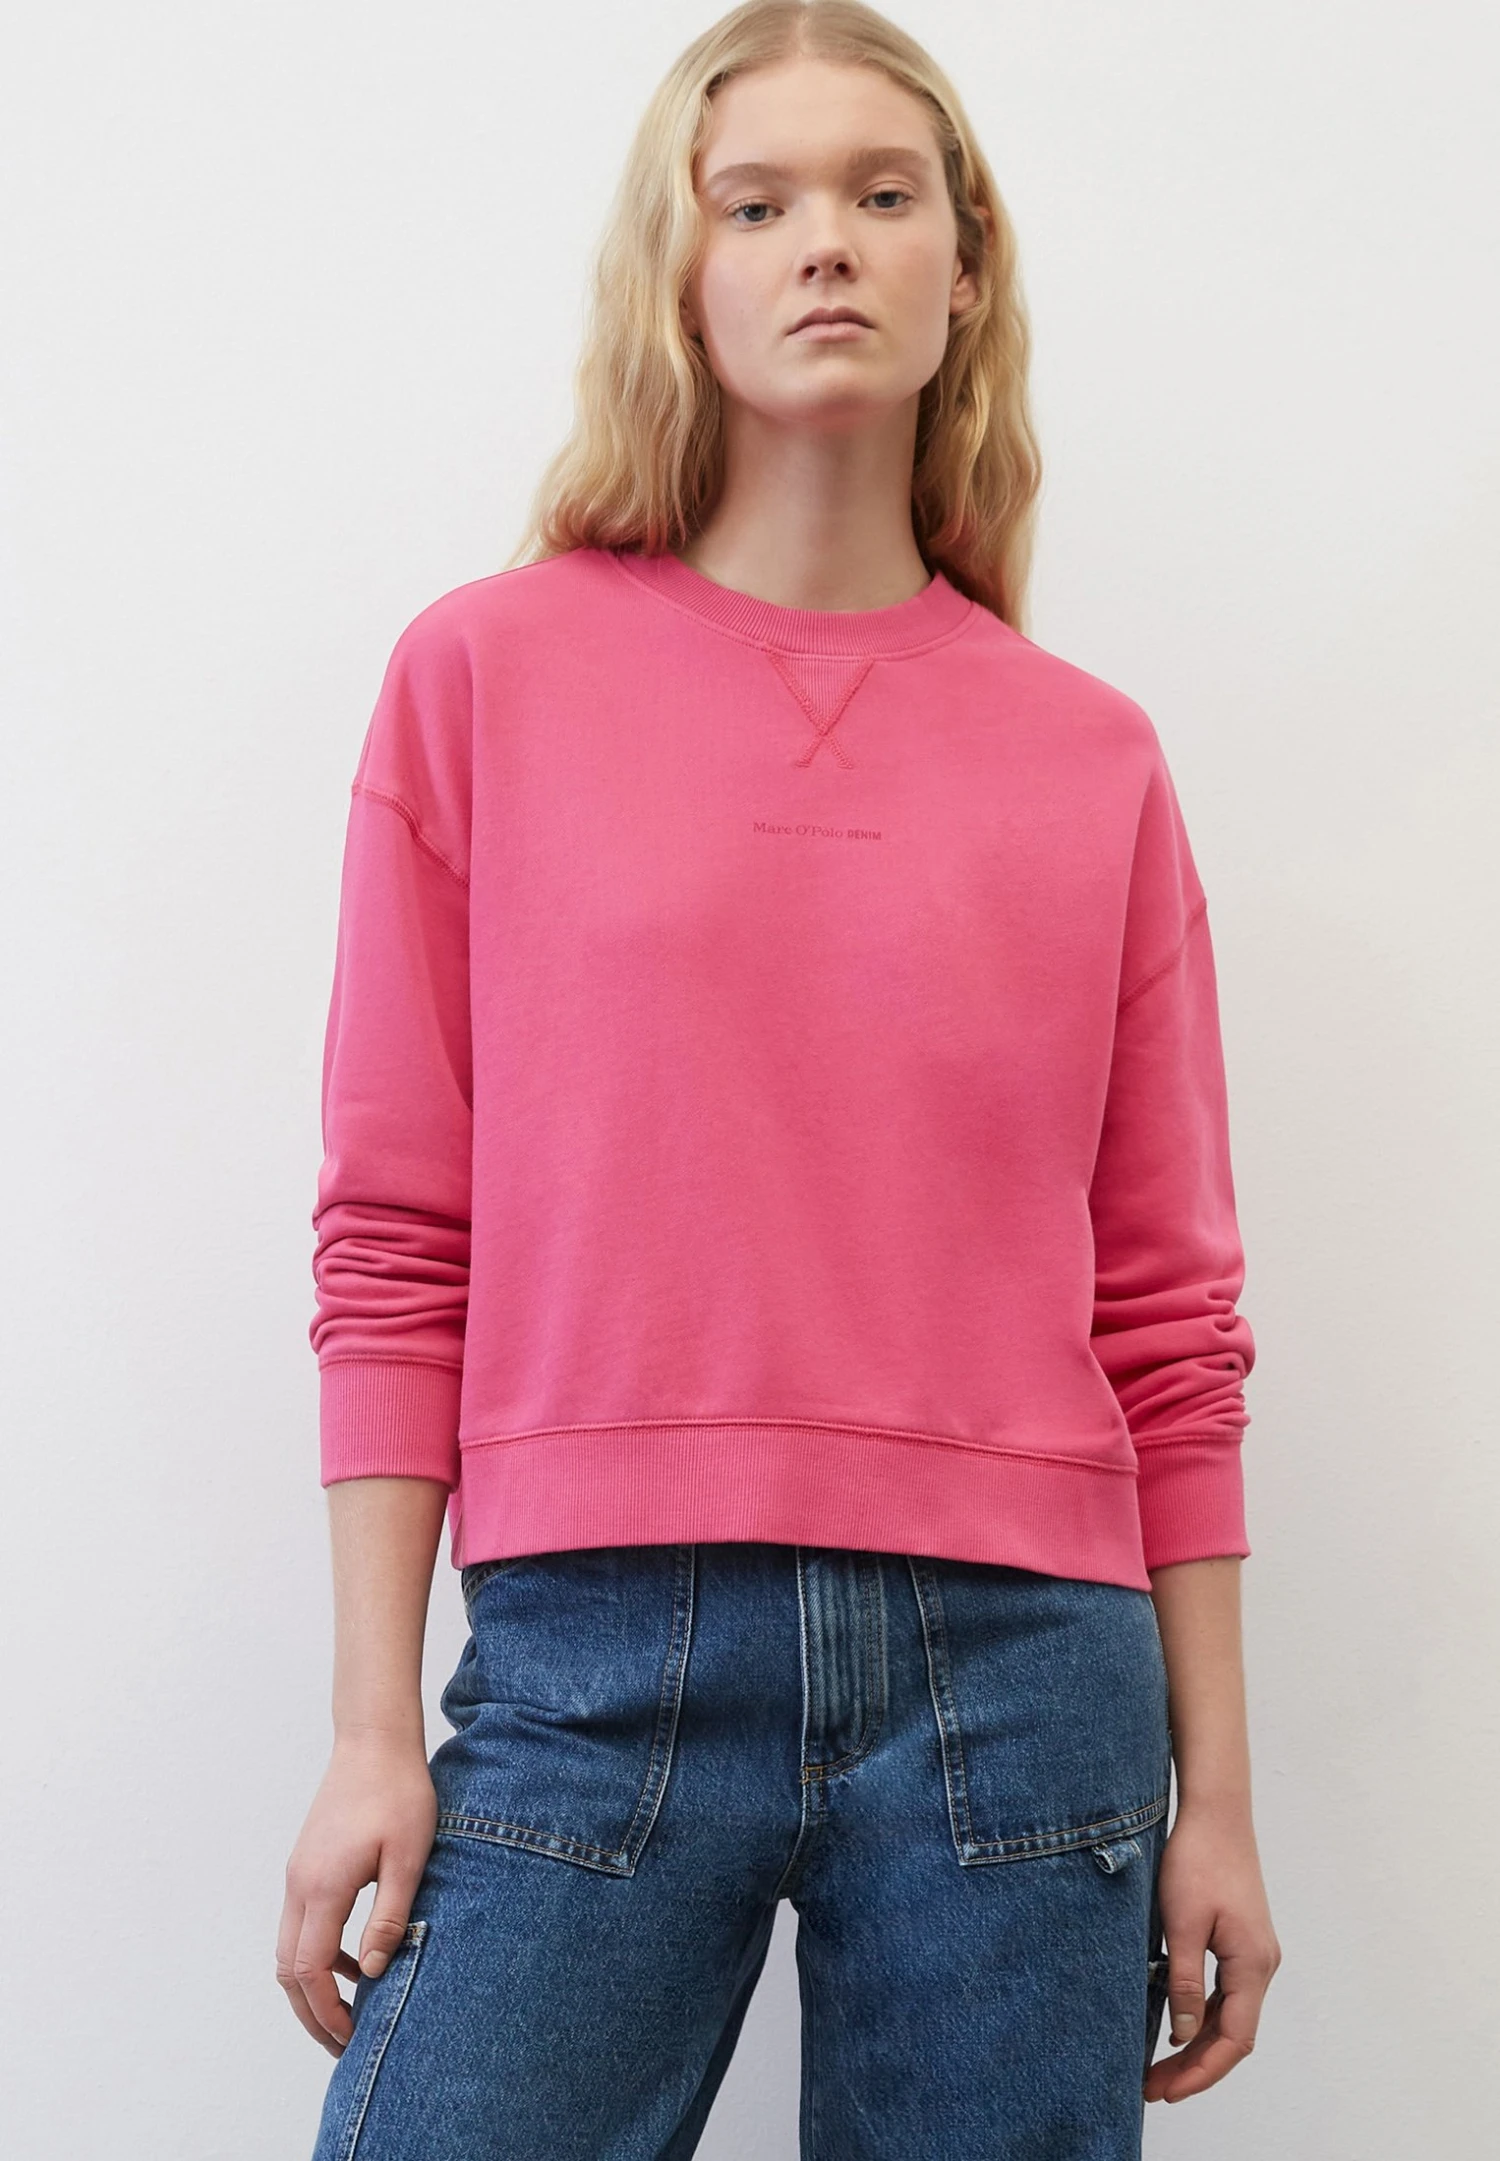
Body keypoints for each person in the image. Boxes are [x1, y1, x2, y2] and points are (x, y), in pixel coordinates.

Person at [279, 3, 1282, 2153]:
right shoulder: (486, 678)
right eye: (758, 202)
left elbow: (1171, 1316)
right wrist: (371, 1729)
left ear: (964, 269)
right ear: (681, 272)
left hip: (1027, 1679)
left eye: (882, 193)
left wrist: (1222, 1798)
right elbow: (397, 1231)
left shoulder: (1090, 759)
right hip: (595, 1651)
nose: (825, 239)